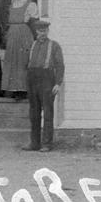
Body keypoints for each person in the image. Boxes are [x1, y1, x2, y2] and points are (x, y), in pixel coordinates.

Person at [23, 15, 65, 152]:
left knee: (47, 112)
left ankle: (46, 143)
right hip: (32, 79)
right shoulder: (32, 45)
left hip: (47, 79)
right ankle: (34, 143)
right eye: (40, 31)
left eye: (44, 31)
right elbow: (26, 64)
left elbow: (60, 66)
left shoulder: (54, 46)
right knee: (34, 113)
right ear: (36, 32)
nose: (42, 33)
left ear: (48, 31)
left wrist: (57, 83)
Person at [2, 0, 36, 98]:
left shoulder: (30, 4)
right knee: (11, 60)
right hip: (12, 34)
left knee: (22, 61)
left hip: (24, 34)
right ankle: (11, 89)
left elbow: (34, 23)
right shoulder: (12, 4)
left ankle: (22, 90)